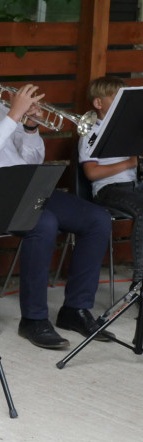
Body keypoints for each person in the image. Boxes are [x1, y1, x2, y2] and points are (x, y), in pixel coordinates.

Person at [0, 32, 112, 350]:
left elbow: (31, 159)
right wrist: (14, 115)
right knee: (43, 224)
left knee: (97, 218)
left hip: (23, 188)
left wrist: (28, 127)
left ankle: (75, 309)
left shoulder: (0, 106)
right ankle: (34, 319)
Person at [79, 76, 143, 285]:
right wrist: (130, 163)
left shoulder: (131, 128)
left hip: (135, 186)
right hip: (109, 189)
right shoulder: (90, 132)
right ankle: (140, 281)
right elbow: (92, 173)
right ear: (99, 103)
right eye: (117, 100)